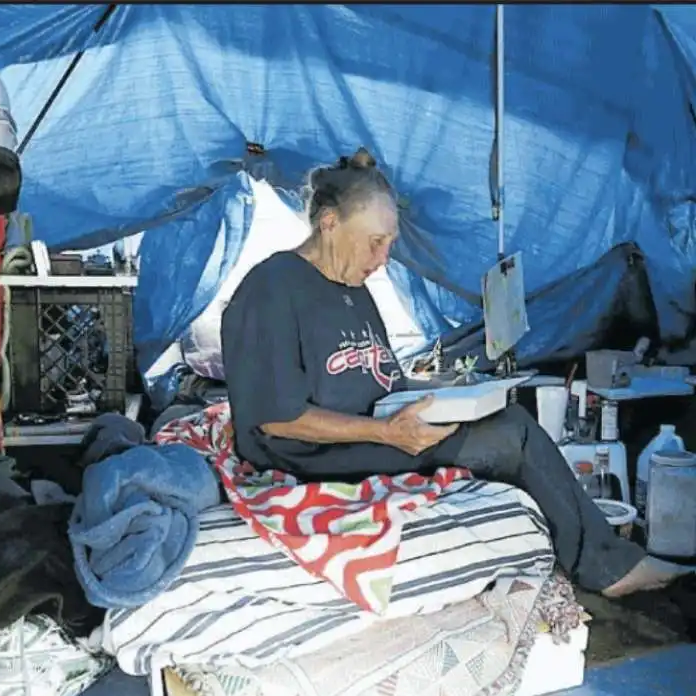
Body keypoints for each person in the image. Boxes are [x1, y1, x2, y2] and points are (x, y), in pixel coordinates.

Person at [220, 147, 691, 598]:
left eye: (390, 244)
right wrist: (386, 434)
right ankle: (607, 567)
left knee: (506, 412)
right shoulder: (272, 287)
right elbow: (278, 419)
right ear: (328, 224)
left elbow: (384, 379)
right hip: (310, 454)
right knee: (512, 436)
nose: (383, 258)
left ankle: (593, 552)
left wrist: (453, 392)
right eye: (375, 242)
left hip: (371, 429)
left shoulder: (353, 288)